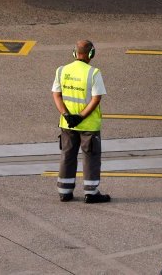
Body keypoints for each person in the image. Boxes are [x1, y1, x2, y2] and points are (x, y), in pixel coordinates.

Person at [51, 39, 110, 202]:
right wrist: (81, 116)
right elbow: (96, 99)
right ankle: (91, 193)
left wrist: (66, 115)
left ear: (74, 52)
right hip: (88, 125)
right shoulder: (94, 73)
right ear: (91, 54)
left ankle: (65, 191)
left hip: (67, 124)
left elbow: (56, 95)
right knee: (90, 157)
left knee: (67, 155)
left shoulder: (61, 71)